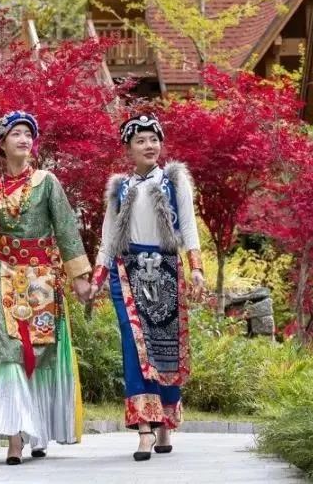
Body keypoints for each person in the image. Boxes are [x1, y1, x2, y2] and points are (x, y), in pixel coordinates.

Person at [0, 110, 93, 465]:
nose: (24, 139)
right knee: (9, 357)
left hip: (43, 280)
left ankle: (37, 430)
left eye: (28, 134)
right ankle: (15, 439)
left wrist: (79, 276)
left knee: (39, 356)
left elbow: (66, 228)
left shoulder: (47, 182)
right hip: (5, 279)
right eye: (16, 134)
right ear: (2, 144)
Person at [89, 113, 205, 461]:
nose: (149, 146)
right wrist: (97, 277)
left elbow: (188, 226)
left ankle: (165, 423)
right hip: (127, 272)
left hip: (167, 269)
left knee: (164, 348)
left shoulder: (174, 180)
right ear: (129, 148)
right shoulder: (120, 188)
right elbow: (109, 238)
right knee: (135, 347)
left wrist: (196, 268)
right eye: (140, 140)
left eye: (153, 139)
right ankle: (143, 429)